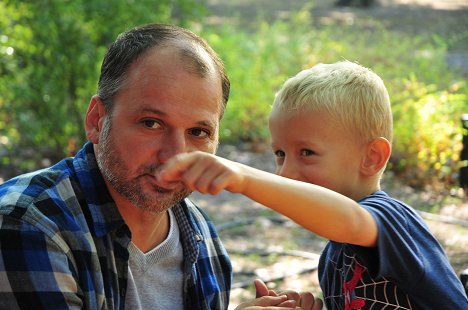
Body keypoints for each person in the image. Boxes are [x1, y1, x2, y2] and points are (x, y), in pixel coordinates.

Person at [0, 23, 321, 310]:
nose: (176, 155)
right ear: (97, 120)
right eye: (151, 123)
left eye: (198, 132)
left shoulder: (201, 237)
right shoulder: (28, 225)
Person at [157, 60, 468, 309]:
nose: (285, 172)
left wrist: (244, 176)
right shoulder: (332, 259)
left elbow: (349, 219)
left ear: (372, 158)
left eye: (307, 153)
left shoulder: (391, 219)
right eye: (280, 154)